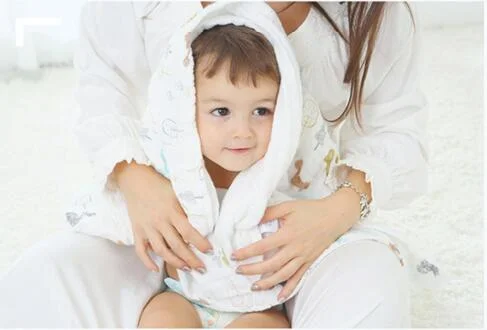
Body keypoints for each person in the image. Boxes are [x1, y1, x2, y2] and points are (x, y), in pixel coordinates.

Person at [0, 1, 436, 328]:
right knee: (37, 280)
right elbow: (102, 87)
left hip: (297, 234)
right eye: (223, 112)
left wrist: (335, 213)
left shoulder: (368, 12)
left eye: (262, 112)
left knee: (372, 281)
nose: (242, 131)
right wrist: (137, 182)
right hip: (170, 233)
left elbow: (395, 131)